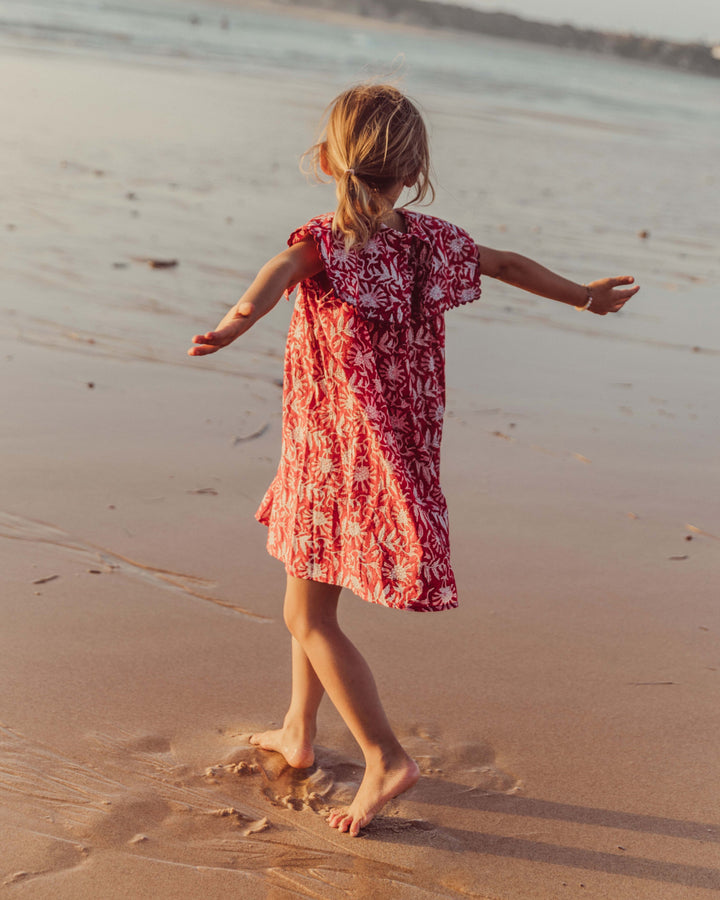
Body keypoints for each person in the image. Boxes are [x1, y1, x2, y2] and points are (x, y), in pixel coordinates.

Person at [188, 83, 639, 837]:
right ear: (416, 171)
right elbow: (509, 264)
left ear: (329, 160)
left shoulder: (323, 244)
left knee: (305, 613)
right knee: (314, 592)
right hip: (390, 444)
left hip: (335, 446)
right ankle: (299, 732)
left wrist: (227, 330)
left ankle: (384, 756)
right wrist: (583, 298)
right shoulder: (432, 241)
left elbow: (267, 285)